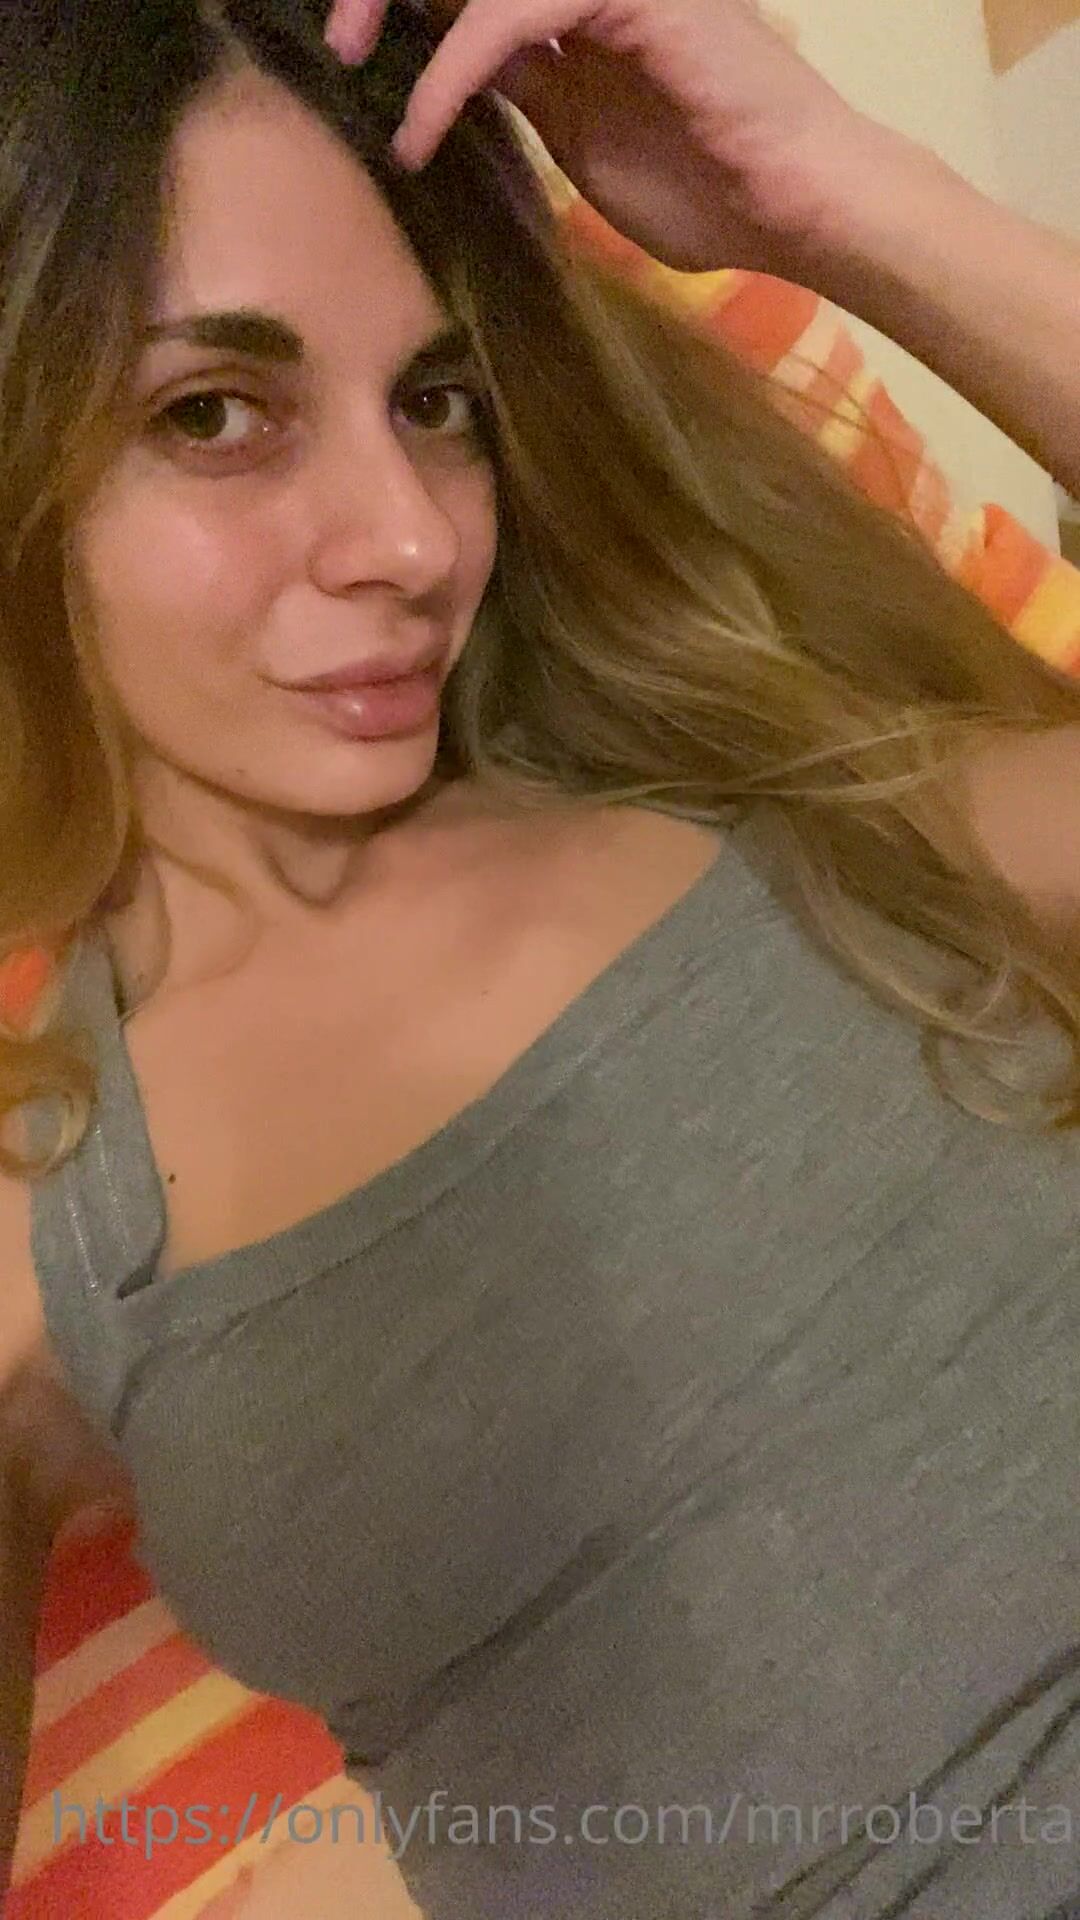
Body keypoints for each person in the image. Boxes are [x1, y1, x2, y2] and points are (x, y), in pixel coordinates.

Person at [2, 0, 1080, 1914]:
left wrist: (841, 199)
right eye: (214, 413)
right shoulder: (51, 1229)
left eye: (435, 402)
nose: (413, 540)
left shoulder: (783, 818)